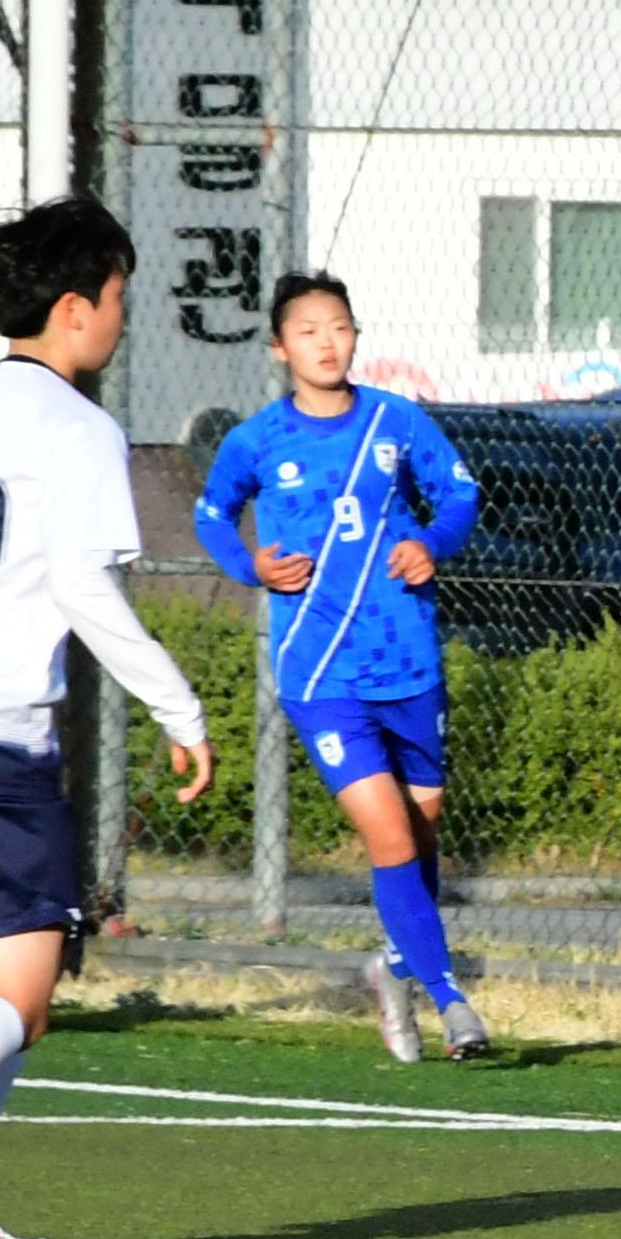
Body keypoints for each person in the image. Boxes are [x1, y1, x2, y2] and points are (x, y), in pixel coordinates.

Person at [0, 198, 217, 1239]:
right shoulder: (81, 428)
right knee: (15, 1005)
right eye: (118, 297)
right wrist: (178, 706)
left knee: (6, 999)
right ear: (73, 308)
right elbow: (86, 592)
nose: (121, 318)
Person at [194, 274, 486, 1061]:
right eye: (310, 330)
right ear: (280, 347)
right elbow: (211, 512)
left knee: (418, 836)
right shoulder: (257, 439)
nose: (327, 343)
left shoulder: (397, 422)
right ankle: (453, 999)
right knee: (389, 837)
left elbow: (460, 492)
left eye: (340, 328)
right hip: (320, 673)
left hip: (408, 659)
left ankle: (392, 968)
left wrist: (434, 542)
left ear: (356, 336)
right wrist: (251, 564)